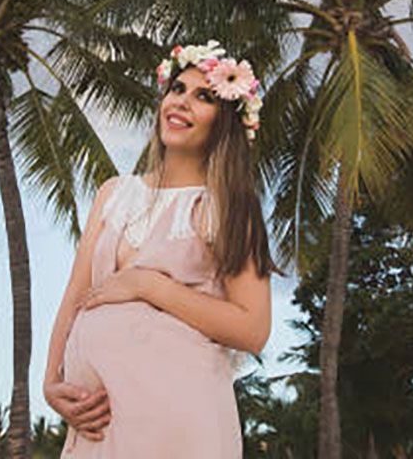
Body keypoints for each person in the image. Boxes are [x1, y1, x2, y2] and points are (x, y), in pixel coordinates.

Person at [43, 40, 277, 457]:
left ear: (225, 121)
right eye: (177, 89)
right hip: (100, 424)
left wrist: (150, 286)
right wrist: (50, 381)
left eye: (204, 96)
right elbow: (76, 296)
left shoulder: (228, 207)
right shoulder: (114, 194)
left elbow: (253, 330)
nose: (182, 102)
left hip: (180, 421)